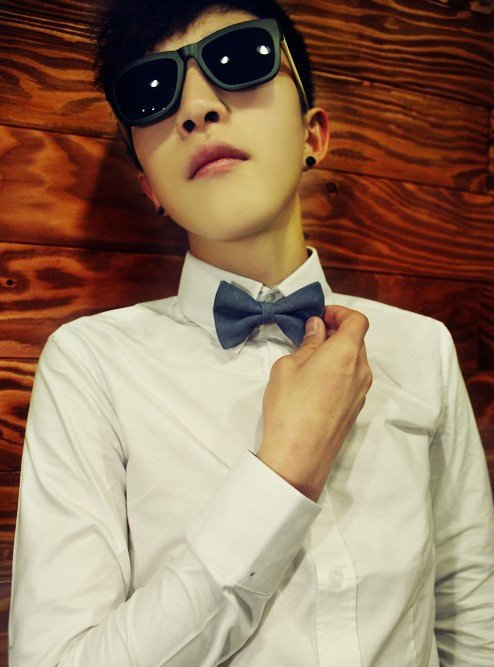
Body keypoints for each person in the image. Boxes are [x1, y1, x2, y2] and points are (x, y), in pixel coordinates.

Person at [8, 0, 494, 664]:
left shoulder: (424, 348)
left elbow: (472, 621)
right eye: (151, 91)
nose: (196, 108)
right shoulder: (89, 365)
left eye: (240, 59)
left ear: (313, 134)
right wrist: (284, 470)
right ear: (148, 186)